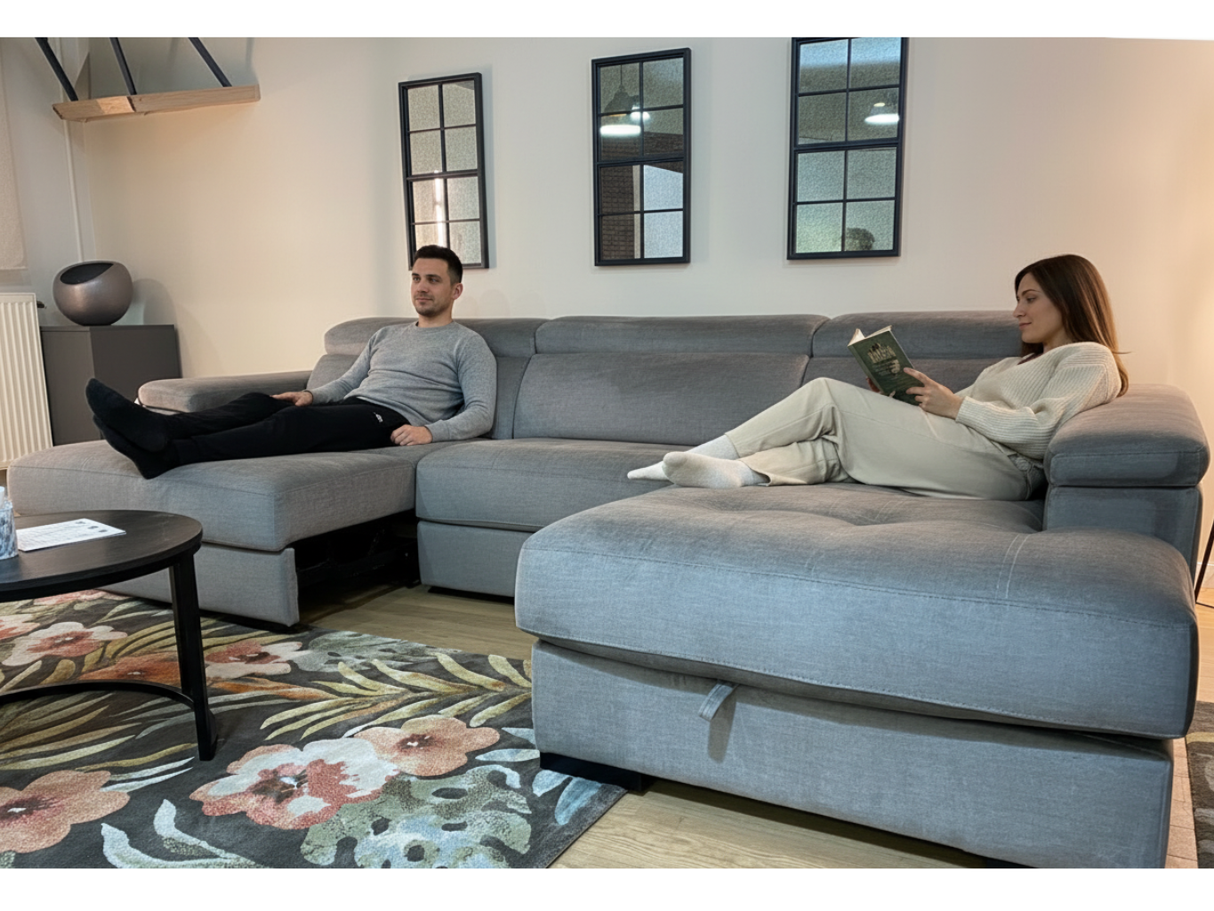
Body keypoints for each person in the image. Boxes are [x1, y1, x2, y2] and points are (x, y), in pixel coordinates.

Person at [628, 254, 1127, 500]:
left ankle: (708, 452)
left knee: (826, 395)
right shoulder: (1011, 365)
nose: (1016, 310)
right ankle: (738, 474)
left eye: (1030, 297)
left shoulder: (1089, 358)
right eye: (1018, 297)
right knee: (836, 448)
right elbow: (955, 415)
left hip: (1007, 470)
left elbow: (1043, 433)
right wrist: (906, 399)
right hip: (969, 450)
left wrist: (955, 406)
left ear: (1071, 296)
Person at [88, 245, 496, 479]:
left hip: (389, 419)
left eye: (433, 280)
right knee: (261, 404)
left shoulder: (467, 344)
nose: (421, 288)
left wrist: (430, 432)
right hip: (354, 407)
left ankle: (172, 455)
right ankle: (160, 427)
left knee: (292, 425)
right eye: (415, 277)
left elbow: (481, 413)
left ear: (456, 290)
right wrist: (309, 394)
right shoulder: (387, 334)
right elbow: (348, 382)